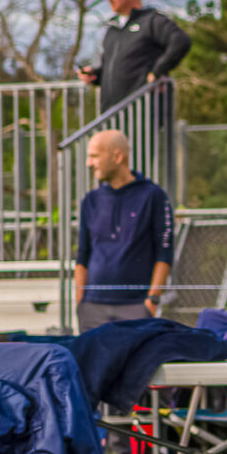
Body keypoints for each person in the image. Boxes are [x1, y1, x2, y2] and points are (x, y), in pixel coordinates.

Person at [74, 130, 172, 329]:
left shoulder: (153, 196)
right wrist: (80, 302)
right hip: (93, 307)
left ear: (118, 156)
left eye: (94, 156)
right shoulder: (90, 201)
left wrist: (151, 301)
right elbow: (82, 256)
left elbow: (164, 254)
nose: (89, 163)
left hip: (136, 307)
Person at [80, 0, 190, 112]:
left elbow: (180, 41)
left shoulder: (152, 20)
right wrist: (95, 75)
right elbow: (112, 67)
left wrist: (158, 71)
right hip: (111, 114)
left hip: (143, 113)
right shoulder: (112, 29)